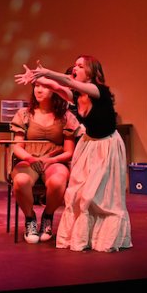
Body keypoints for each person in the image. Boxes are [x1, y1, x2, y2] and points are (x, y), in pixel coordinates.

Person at [16, 55, 131, 252]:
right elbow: (58, 87)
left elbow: (66, 81)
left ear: (91, 73)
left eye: (80, 66)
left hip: (106, 146)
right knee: (78, 195)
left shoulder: (98, 91)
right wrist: (37, 77)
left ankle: (104, 237)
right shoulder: (77, 96)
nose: (75, 68)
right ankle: (84, 237)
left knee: (99, 197)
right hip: (88, 146)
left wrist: (46, 72)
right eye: (75, 65)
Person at [10, 82, 80, 243]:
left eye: (44, 86)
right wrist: (30, 158)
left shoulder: (65, 116)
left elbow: (69, 151)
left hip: (54, 160)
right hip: (29, 159)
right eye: (36, 86)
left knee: (57, 181)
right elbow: (17, 147)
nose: (39, 90)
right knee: (21, 181)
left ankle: (47, 216)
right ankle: (30, 219)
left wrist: (51, 160)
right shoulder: (24, 114)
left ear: (55, 90)